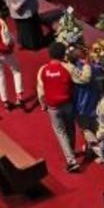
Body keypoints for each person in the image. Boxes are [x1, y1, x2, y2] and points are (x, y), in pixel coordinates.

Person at [37, 42, 80, 172]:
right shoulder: (68, 67)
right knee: (70, 128)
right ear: (63, 54)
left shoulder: (43, 69)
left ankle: (71, 160)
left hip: (53, 108)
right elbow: (78, 82)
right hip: (68, 104)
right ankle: (71, 152)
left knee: (61, 133)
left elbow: (41, 90)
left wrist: (43, 104)